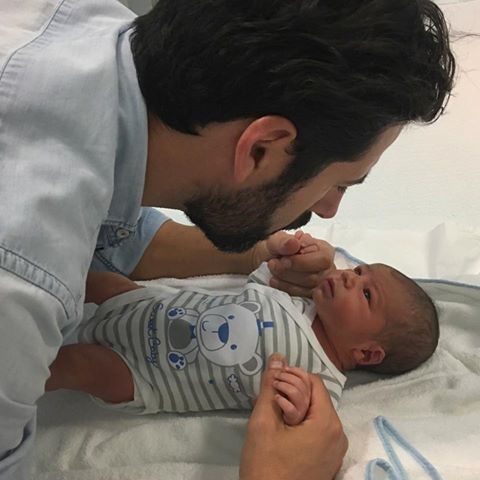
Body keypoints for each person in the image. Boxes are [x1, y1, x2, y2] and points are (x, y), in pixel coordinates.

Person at [0, 0, 455, 478]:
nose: (327, 211)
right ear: (261, 149)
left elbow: (116, 234)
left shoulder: (81, 24)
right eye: (339, 184)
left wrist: (259, 252)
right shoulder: (22, 282)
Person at [45, 231, 439, 427]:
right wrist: (283, 257)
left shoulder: (320, 384)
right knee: (102, 282)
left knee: (77, 366)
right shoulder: (297, 303)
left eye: (366, 294)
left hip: (147, 375)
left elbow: (300, 431)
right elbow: (259, 279)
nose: (351, 277)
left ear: (366, 353)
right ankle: (34, 285)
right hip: (145, 306)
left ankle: (17, 369)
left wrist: (296, 410)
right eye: (359, 270)